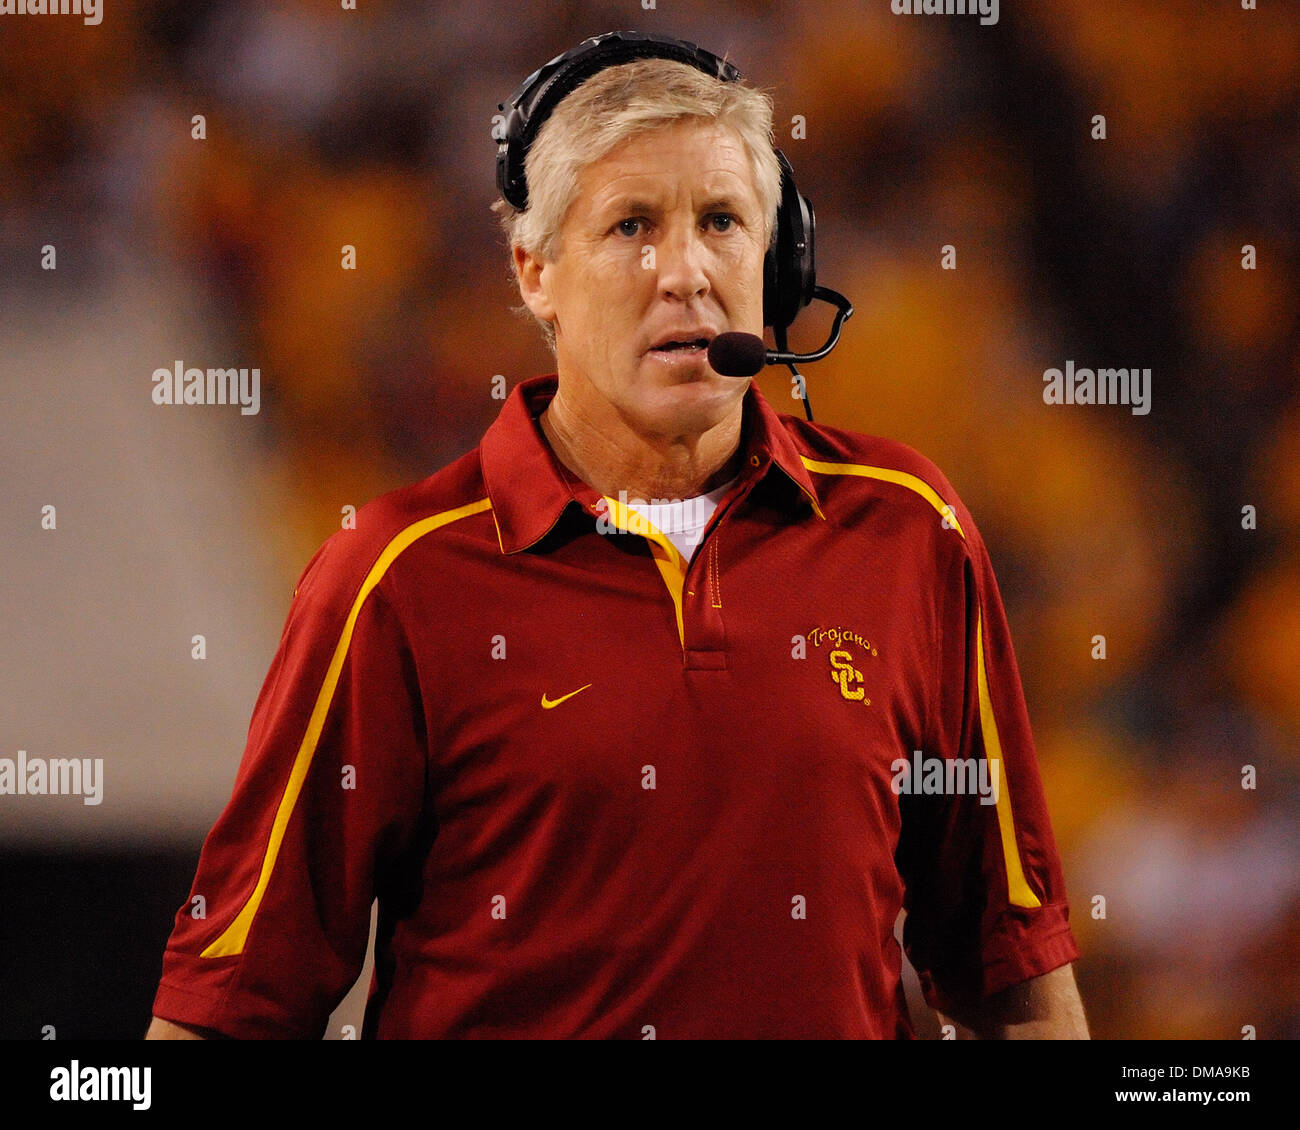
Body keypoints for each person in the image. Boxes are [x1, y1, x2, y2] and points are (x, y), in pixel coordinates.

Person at [146, 34, 1087, 1040]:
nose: (683, 271)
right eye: (631, 225)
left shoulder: (908, 529)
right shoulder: (396, 576)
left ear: (777, 259)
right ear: (535, 272)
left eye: (721, 221)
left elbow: (1010, 973)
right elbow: (231, 1005)